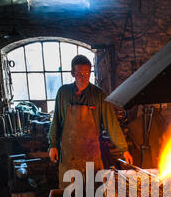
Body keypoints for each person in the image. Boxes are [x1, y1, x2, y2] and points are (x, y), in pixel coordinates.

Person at [48, 54, 133, 188]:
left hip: (91, 156)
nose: (84, 77)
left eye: (87, 73)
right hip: (69, 155)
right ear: (72, 73)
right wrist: (52, 145)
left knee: (92, 195)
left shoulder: (99, 95)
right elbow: (56, 121)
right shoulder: (63, 92)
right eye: (80, 73)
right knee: (69, 195)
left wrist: (124, 149)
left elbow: (112, 125)